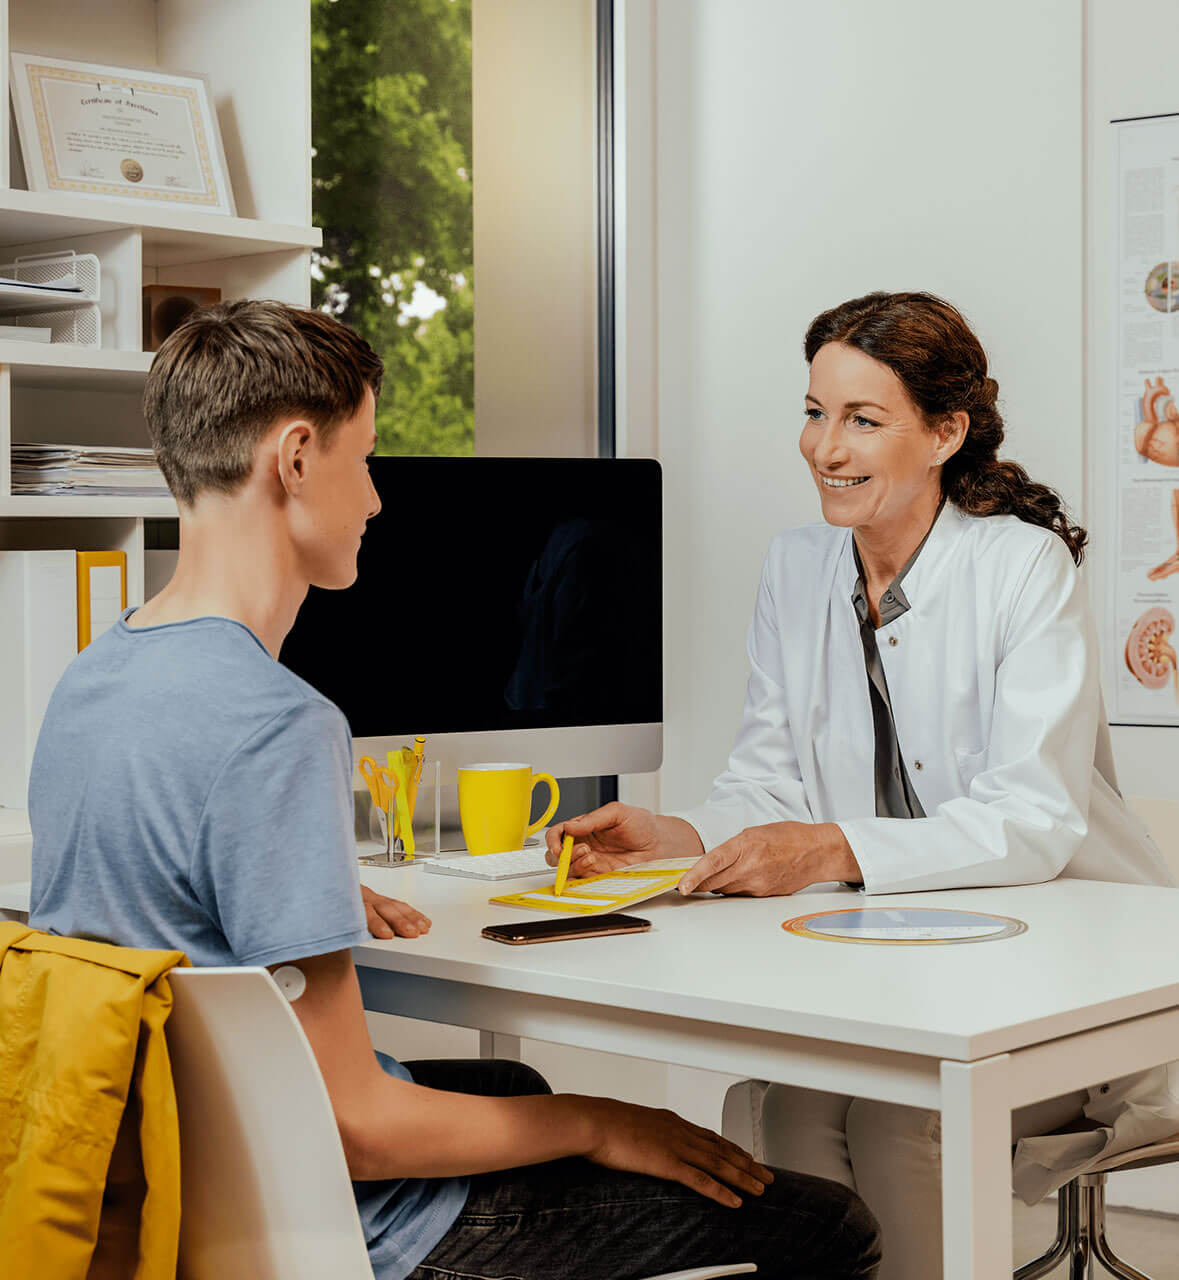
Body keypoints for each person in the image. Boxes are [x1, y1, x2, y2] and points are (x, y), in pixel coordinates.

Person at [27, 300, 881, 1280]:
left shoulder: (93, 679)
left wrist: (301, 887)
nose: (378, 501)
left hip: (178, 1183)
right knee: (827, 1222)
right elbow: (359, 1130)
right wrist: (605, 1120)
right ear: (296, 457)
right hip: (341, 1225)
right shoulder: (281, 723)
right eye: (366, 457)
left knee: (504, 1079)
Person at [545, 291, 1179, 1279]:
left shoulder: (1023, 567)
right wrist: (671, 831)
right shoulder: (798, 568)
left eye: (862, 419)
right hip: (900, 972)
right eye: (814, 411)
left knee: (901, 1120)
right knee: (779, 1103)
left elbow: (1033, 816)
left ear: (945, 432)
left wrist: (832, 849)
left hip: (1070, 978)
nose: (824, 446)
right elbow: (768, 783)